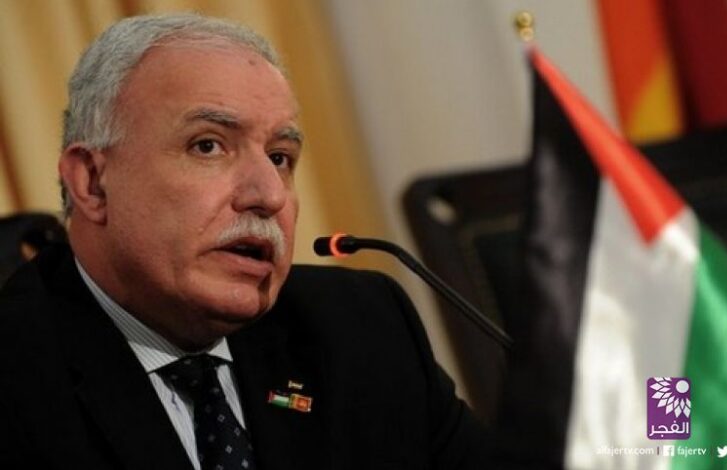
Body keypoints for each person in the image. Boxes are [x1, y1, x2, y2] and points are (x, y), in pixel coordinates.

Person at [0, 13, 489, 470]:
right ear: (92, 182)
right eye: (208, 145)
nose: (269, 195)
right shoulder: (18, 375)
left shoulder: (360, 328)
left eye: (280, 157)